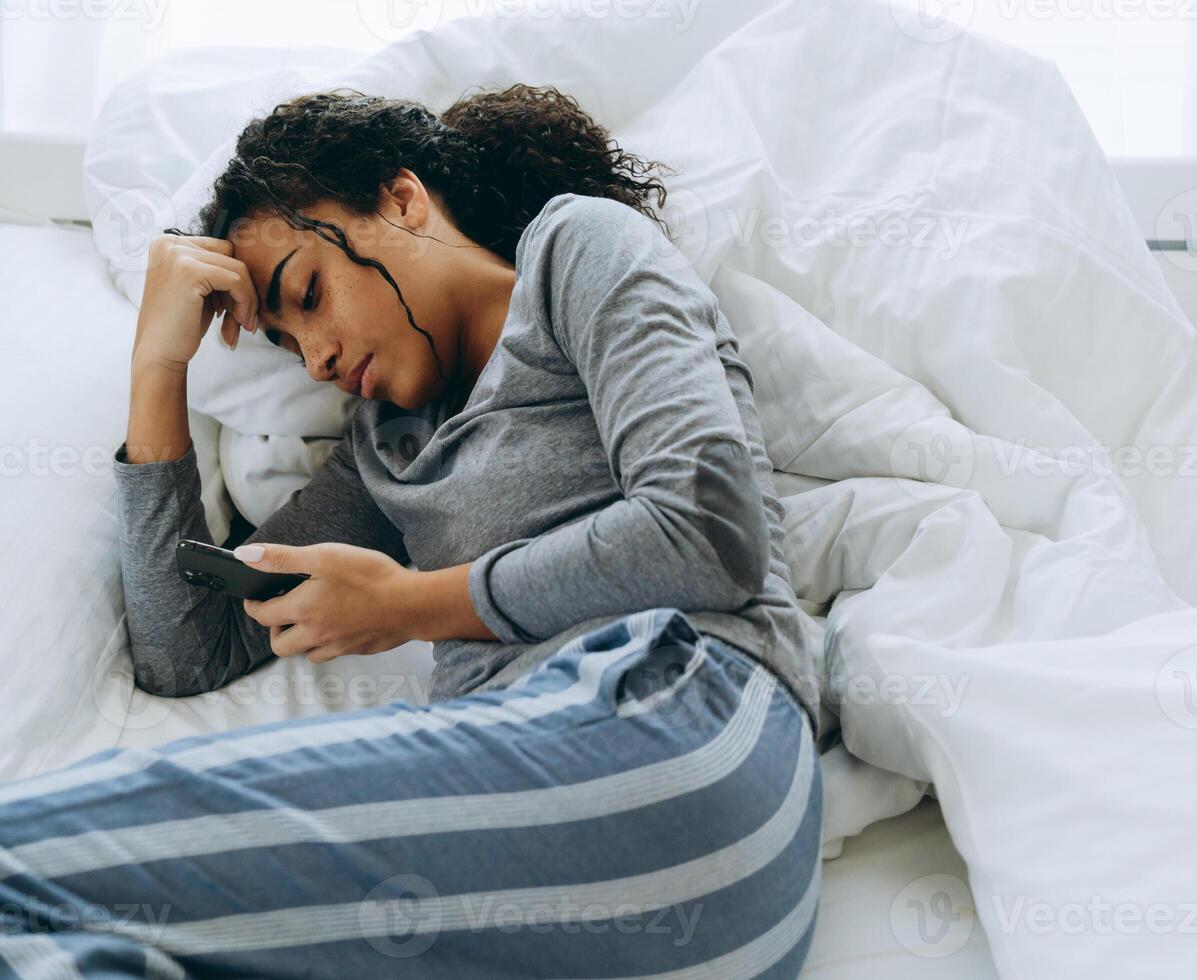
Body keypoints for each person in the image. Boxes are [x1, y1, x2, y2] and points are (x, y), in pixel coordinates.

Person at [0, 86, 821, 979]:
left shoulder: (578, 251)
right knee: (68, 952)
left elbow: (709, 531)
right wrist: (157, 365)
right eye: (286, 345)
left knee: (18, 872)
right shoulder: (385, 450)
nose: (314, 359)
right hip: (569, 897)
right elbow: (185, 652)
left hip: (683, 748)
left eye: (307, 294)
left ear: (401, 200)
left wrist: (406, 606)